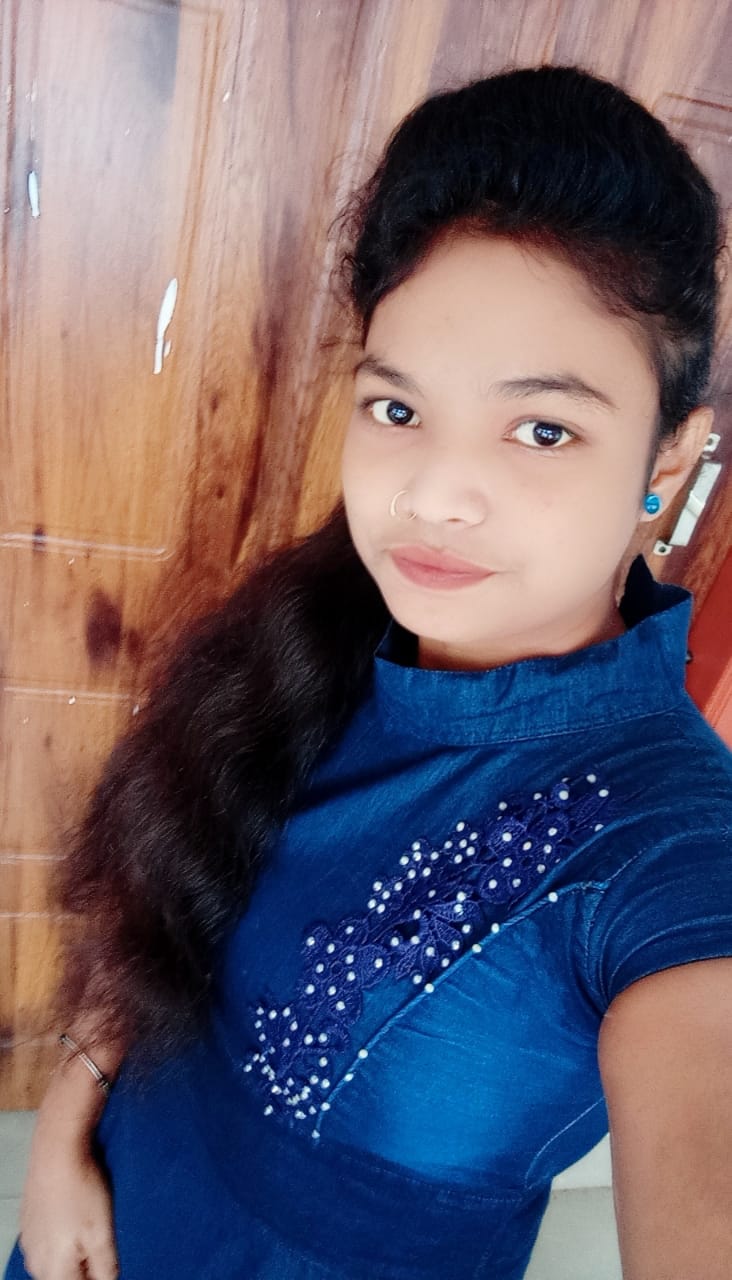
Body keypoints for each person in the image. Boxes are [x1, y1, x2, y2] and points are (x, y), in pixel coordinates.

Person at [5, 62, 732, 1280]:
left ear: (669, 459)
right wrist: (64, 1127)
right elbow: (169, 908)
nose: (434, 494)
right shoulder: (321, 635)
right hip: (99, 1216)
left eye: (542, 428)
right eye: (398, 410)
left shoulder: (668, 844)